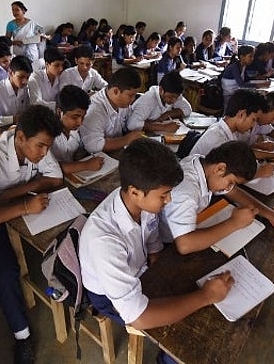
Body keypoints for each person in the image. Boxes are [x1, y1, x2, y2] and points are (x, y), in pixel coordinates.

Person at [80, 138, 233, 335]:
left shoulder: (143, 203)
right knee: (186, 326)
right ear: (135, 192)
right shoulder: (104, 241)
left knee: (189, 286)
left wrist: (161, 268)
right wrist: (205, 296)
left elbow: (152, 242)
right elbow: (140, 317)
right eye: (164, 195)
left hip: (139, 269)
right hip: (109, 296)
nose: (169, 200)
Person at [0, 105, 63, 364]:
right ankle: (22, 336)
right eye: (40, 146)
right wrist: (24, 206)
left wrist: (15, 195)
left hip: (14, 203)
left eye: (47, 147)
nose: (44, 153)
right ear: (20, 137)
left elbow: (55, 177)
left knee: (64, 236)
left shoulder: (36, 147)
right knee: (6, 272)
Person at [160, 141, 274, 255]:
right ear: (220, 168)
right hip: (167, 245)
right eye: (231, 181)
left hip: (188, 227)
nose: (229, 187)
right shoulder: (186, 193)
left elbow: (234, 192)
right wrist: (235, 223)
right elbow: (185, 245)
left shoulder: (203, 164)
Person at [190, 89, 274, 176]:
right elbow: (225, 177)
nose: (254, 125)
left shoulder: (231, 131)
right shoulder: (218, 139)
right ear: (242, 114)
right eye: (253, 120)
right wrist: (259, 173)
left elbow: (242, 153)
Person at [79, 67, 143, 153]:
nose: (133, 99)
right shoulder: (94, 110)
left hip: (117, 150)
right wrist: (127, 139)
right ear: (116, 91)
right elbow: (93, 146)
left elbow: (130, 119)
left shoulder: (122, 103)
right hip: (96, 157)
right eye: (131, 95)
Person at [50, 85, 104, 175]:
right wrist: (86, 165)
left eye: (83, 116)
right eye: (75, 117)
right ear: (60, 112)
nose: (80, 122)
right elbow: (49, 167)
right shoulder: (48, 134)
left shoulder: (75, 131)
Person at [127, 71, 192, 133]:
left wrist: (167, 114)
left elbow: (188, 109)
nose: (173, 100)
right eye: (170, 97)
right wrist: (163, 127)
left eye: (176, 97)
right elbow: (131, 124)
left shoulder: (174, 95)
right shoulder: (149, 100)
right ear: (161, 90)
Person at [0, 55, 32, 128]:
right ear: (10, 73)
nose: (25, 81)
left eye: (27, 77)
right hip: (2, 131)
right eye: (20, 77)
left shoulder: (26, 88)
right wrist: (13, 119)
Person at [27, 47, 65, 111]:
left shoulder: (62, 77)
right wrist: (57, 105)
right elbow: (35, 103)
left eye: (62, 65)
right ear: (47, 64)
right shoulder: (35, 77)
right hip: (39, 114)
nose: (61, 69)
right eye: (57, 65)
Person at [220, 45, 255, 111]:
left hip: (235, 91)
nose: (252, 59)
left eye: (253, 56)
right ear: (242, 57)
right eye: (250, 56)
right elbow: (241, 84)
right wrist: (259, 85)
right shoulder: (234, 67)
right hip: (228, 94)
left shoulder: (244, 65)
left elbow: (246, 80)